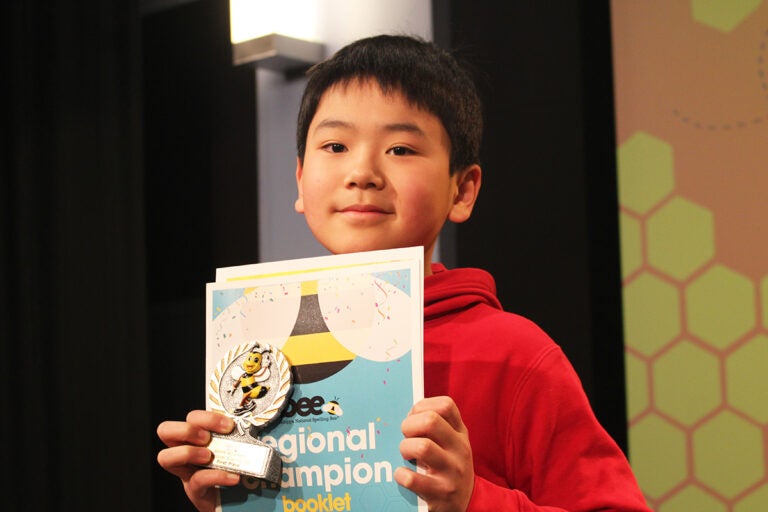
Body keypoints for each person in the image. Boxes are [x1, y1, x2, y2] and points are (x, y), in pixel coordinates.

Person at [157, 34, 651, 512]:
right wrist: (229, 496)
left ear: (463, 190)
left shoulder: (517, 357)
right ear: (301, 180)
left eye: (401, 149)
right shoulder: (260, 350)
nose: (363, 172)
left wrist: (474, 501)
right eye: (334, 146)